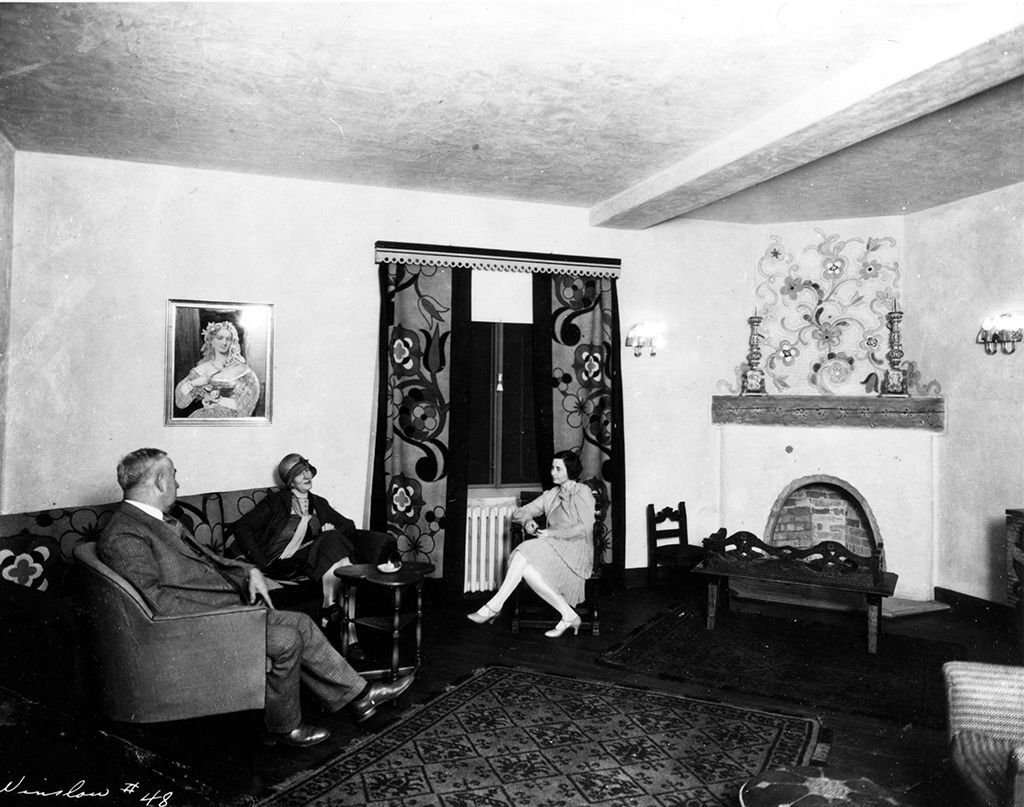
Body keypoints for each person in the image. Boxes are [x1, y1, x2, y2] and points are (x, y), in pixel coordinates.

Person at [97, 448, 414, 748]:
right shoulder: (125, 533)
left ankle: (361, 697)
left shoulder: (156, 521)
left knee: (301, 622)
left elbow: (211, 560)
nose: (178, 483)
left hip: (222, 607)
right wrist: (235, 613)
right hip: (198, 624)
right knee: (286, 639)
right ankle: (284, 725)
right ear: (160, 482)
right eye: (174, 475)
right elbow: (159, 605)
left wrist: (249, 571)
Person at [231, 453, 367, 659]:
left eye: (307, 471)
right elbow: (242, 528)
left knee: (335, 544)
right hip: (278, 563)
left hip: (304, 561)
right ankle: (345, 630)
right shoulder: (275, 502)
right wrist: (258, 563)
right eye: (299, 473)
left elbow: (348, 525)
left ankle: (334, 614)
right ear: (289, 481)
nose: (306, 475)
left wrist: (328, 530)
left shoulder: (319, 503)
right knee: (335, 548)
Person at [467, 450, 595, 637]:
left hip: (576, 551)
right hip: (555, 548)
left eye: (558, 469)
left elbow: (584, 528)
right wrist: (527, 521)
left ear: (570, 471)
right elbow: (520, 512)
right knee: (526, 569)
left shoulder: (582, 492)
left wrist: (552, 533)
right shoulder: (551, 495)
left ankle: (494, 606)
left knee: (524, 550)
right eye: (552, 467)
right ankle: (569, 616)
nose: (552, 472)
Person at [174, 321, 260, 418]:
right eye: (220, 338)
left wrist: (217, 400)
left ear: (232, 342)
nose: (224, 343)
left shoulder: (243, 371)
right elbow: (180, 402)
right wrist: (193, 384)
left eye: (228, 339)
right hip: (203, 418)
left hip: (230, 421)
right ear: (211, 341)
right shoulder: (202, 369)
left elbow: (244, 405)